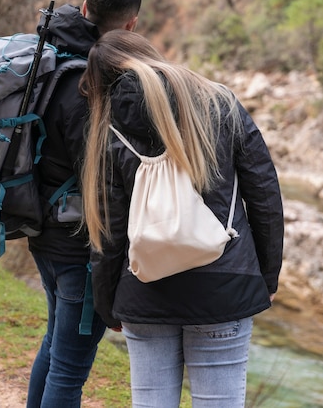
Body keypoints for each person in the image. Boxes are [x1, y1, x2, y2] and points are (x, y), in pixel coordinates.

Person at [80, 29, 284, 408]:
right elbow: (265, 195)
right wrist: (266, 277)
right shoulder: (219, 101)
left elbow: (107, 231)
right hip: (225, 285)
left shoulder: (108, 130)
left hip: (143, 290)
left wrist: (108, 304)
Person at [26, 0, 145, 408]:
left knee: (56, 348)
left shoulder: (47, 48)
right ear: (130, 25)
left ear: (84, 4)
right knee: (71, 367)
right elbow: (104, 184)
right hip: (77, 243)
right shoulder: (93, 83)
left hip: (40, 223)